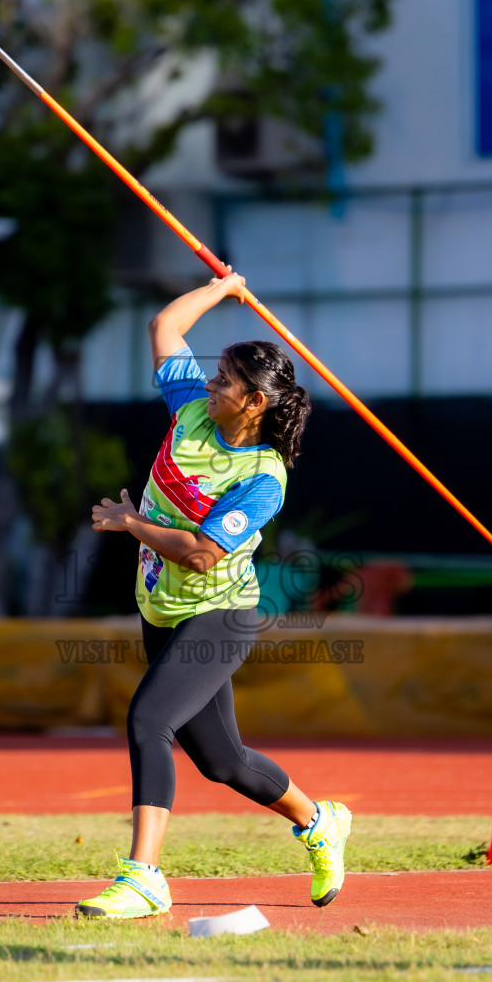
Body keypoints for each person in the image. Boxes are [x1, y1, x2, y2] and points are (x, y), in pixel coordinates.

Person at [76, 273, 351, 920]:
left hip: (219, 614)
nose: (209, 384)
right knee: (223, 761)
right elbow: (163, 328)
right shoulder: (190, 408)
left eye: (224, 380)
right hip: (162, 609)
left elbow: (200, 555)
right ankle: (319, 820)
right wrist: (219, 287)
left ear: (254, 402)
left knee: (149, 721)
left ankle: (143, 877)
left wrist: (133, 524)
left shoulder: (262, 478)